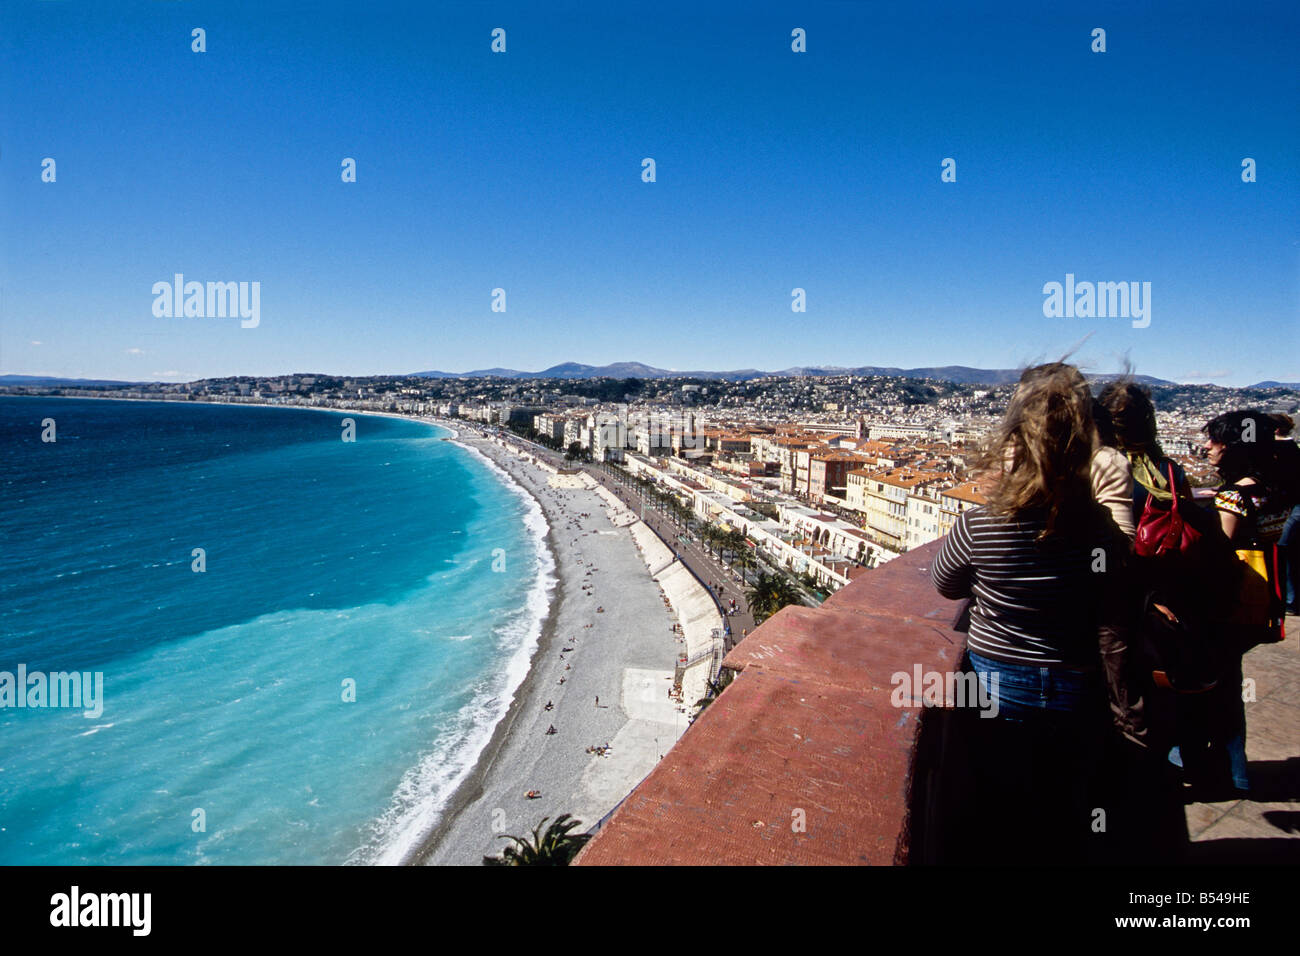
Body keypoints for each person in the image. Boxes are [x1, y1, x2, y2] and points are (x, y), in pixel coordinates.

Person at [931, 361, 1135, 864]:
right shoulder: (1099, 528)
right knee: (1063, 807)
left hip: (995, 680)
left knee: (995, 804)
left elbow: (944, 583)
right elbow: (1114, 593)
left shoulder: (982, 523)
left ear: (1015, 441)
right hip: (1075, 683)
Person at [1194, 409, 1299, 793]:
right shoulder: (1273, 487)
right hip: (1262, 596)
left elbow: (1222, 550)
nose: (1207, 447)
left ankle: (1213, 770)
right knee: (1229, 685)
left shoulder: (1236, 495)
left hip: (1232, 600)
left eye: (1215, 440)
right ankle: (1235, 772)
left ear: (1233, 447)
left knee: (1212, 687)